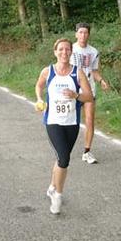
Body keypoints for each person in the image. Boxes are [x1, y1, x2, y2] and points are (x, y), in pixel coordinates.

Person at [35, 38, 93, 214]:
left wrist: (76, 95)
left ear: (71, 52)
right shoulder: (48, 71)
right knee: (64, 158)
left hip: (72, 123)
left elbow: (89, 96)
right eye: (60, 49)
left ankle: (52, 186)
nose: (64, 52)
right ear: (55, 52)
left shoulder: (78, 73)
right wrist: (39, 99)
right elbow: (39, 86)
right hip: (53, 121)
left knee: (62, 157)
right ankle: (58, 196)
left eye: (67, 49)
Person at [70, 22, 110, 164]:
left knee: (89, 120)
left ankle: (87, 152)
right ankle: (64, 146)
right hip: (73, 89)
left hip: (89, 90)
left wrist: (101, 81)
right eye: (80, 32)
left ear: (89, 35)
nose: (83, 35)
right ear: (76, 34)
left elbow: (94, 71)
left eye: (85, 32)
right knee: (69, 121)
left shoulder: (93, 51)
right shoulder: (70, 49)